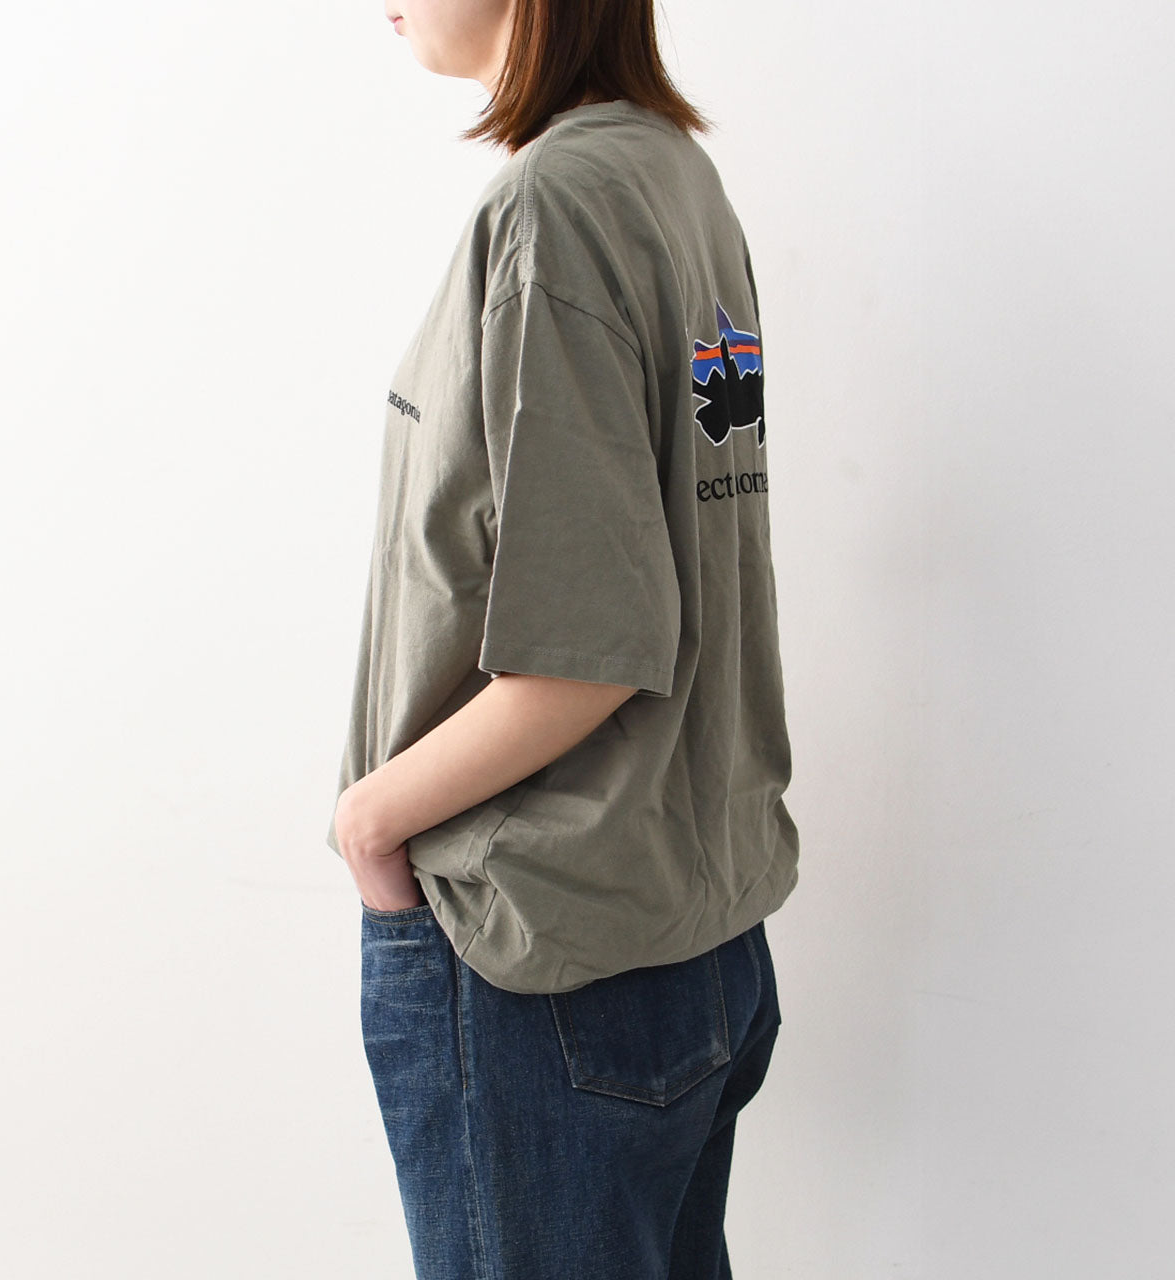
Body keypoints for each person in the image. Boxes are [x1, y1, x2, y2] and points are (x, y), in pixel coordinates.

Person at [325, 1, 800, 1275]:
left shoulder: (553, 208)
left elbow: (585, 652)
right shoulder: (670, 176)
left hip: (548, 957)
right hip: (685, 939)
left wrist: (368, 821)